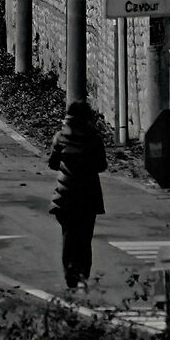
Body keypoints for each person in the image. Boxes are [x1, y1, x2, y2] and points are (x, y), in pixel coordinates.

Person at [47, 100, 108, 292]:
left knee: (69, 236)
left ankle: (70, 275)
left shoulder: (60, 137)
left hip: (65, 194)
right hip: (88, 194)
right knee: (85, 237)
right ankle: (83, 274)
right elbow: (101, 165)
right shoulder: (94, 138)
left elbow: (53, 163)